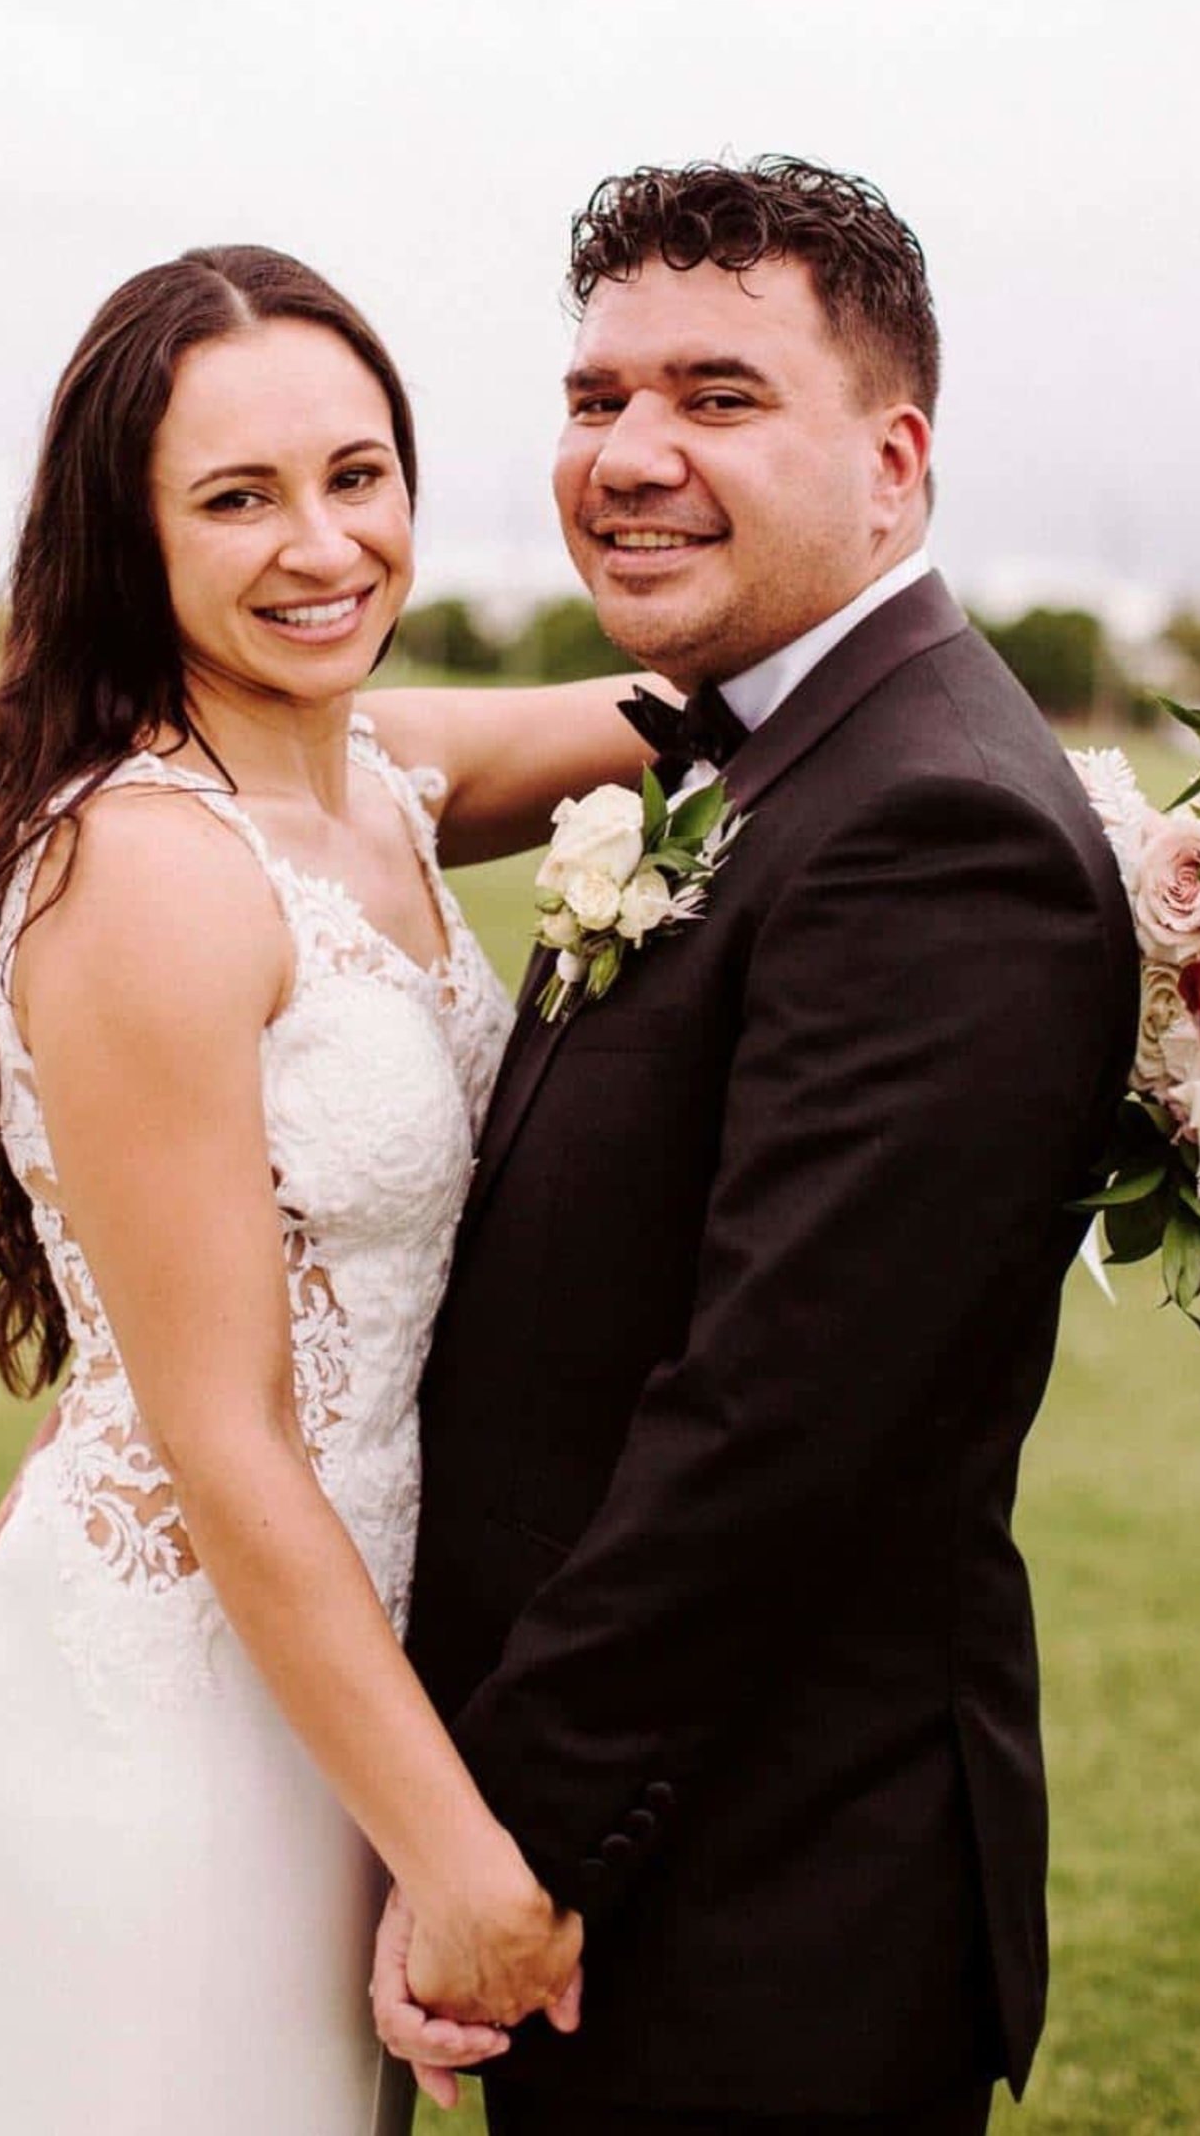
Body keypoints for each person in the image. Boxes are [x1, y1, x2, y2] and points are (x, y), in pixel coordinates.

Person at [374, 158, 1141, 2136]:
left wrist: (506, 1849)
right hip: (680, 1865)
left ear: (893, 463)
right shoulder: (750, 744)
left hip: (764, 1905)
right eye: (594, 396)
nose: (629, 452)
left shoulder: (934, 826)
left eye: (716, 397)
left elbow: (768, 1435)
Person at [0, 241, 653, 2132]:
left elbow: (729, 709)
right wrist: (459, 1852)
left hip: (348, 1663)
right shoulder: (149, 872)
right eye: (237, 498)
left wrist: (1128, 831)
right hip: (185, 1695)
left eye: (357, 475)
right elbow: (227, 1440)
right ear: (128, 539)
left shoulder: (376, 772)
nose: (322, 546)